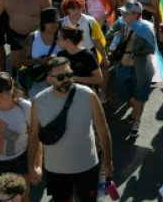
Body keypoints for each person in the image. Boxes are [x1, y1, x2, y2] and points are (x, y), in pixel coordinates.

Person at [27, 57, 112, 202]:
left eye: (69, 75)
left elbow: (103, 130)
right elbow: (34, 136)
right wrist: (31, 166)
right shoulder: (38, 101)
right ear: (49, 80)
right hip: (56, 169)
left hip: (87, 165)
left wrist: (108, 162)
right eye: (61, 77)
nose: (66, 79)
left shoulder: (89, 95)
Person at [111, 0, 157, 137]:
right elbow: (108, 37)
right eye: (123, 12)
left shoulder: (146, 28)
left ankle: (136, 121)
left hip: (141, 70)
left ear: (137, 14)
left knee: (140, 97)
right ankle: (135, 110)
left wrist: (135, 53)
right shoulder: (120, 24)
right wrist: (114, 37)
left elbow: (151, 49)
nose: (124, 14)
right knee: (125, 94)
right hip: (122, 68)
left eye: (127, 13)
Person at [21, 8, 60, 99]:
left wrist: (57, 60)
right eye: (50, 22)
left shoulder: (64, 36)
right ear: (43, 23)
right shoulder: (33, 38)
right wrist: (38, 61)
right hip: (38, 81)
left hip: (59, 80)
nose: (54, 25)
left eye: (56, 22)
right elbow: (24, 60)